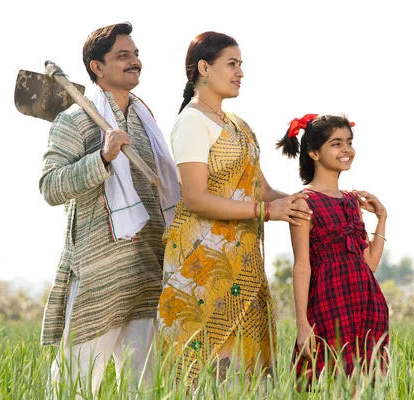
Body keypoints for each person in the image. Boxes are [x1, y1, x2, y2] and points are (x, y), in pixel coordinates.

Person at [157, 31, 313, 385]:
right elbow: (195, 197)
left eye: (241, 65)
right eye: (232, 64)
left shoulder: (239, 126)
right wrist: (267, 213)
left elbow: (262, 190)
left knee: (249, 380)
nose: (240, 72)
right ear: (204, 68)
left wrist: (301, 203)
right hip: (200, 271)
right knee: (203, 380)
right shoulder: (192, 121)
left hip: (244, 269)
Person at [39, 22, 179, 396]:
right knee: (74, 386)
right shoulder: (75, 120)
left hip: (148, 272)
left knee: (150, 388)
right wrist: (102, 156)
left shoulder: (147, 123)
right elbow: (49, 187)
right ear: (97, 67)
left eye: (135, 55)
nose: (135, 62)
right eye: (123, 56)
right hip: (99, 274)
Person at [276, 114, 389, 383]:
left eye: (349, 142)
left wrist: (382, 218)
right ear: (314, 152)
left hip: (367, 304)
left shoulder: (352, 201)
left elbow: (370, 263)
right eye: (336, 143)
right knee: (329, 384)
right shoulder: (303, 202)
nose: (346, 149)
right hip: (329, 305)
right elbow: (302, 265)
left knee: (368, 386)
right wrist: (302, 324)